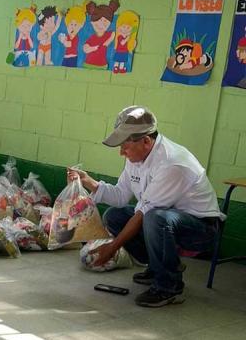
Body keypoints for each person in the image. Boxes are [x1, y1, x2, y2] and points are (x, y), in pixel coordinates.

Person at [68, 106, 222, 308]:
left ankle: (169, 286)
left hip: (202, 229)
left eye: (125, 146)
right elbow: (121, 196)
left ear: (146, 141)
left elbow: (144, 214)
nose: (121, 152)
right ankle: (158, 267)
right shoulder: (137, 156)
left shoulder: (172, 163)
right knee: (114, 216)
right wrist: (89, 182)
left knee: (154, 218)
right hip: (164, 218)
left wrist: (112, 248)